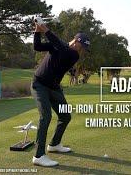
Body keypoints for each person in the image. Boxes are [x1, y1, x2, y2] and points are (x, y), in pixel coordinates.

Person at [31, 21, 90, 166]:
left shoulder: (73, 55)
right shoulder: (59, 45)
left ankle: (54, 145)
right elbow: (37, 46)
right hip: (39, 84)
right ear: (76, 41)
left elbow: (61, 46)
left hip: (54, 87)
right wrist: (37, 31)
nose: (82, 50)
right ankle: (38, 156)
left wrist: (45, 29)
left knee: (65, 116)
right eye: (82, 46)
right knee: (46, 116)